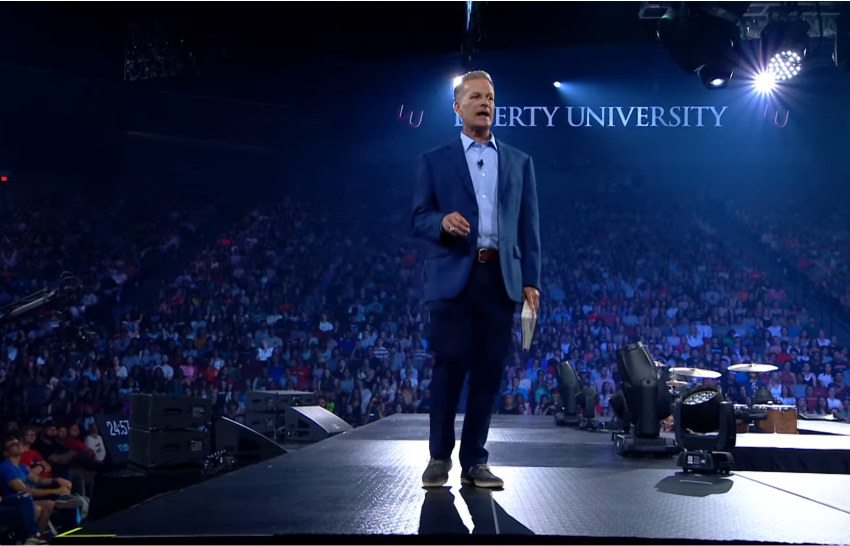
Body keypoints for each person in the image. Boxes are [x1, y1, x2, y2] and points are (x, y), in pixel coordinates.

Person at [412, 70, 541, 488]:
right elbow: (419, 216)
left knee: (488, 371)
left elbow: (529, 227)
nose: (485, 103)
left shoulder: (519, 162)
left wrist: (531, 281)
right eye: (476, 97)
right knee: (449, 365)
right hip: (453, 277)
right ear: (457, 107)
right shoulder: (434, 160)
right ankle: (438, 457)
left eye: (490, 97)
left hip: (500, 279)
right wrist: (441, 222)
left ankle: (475, 461)